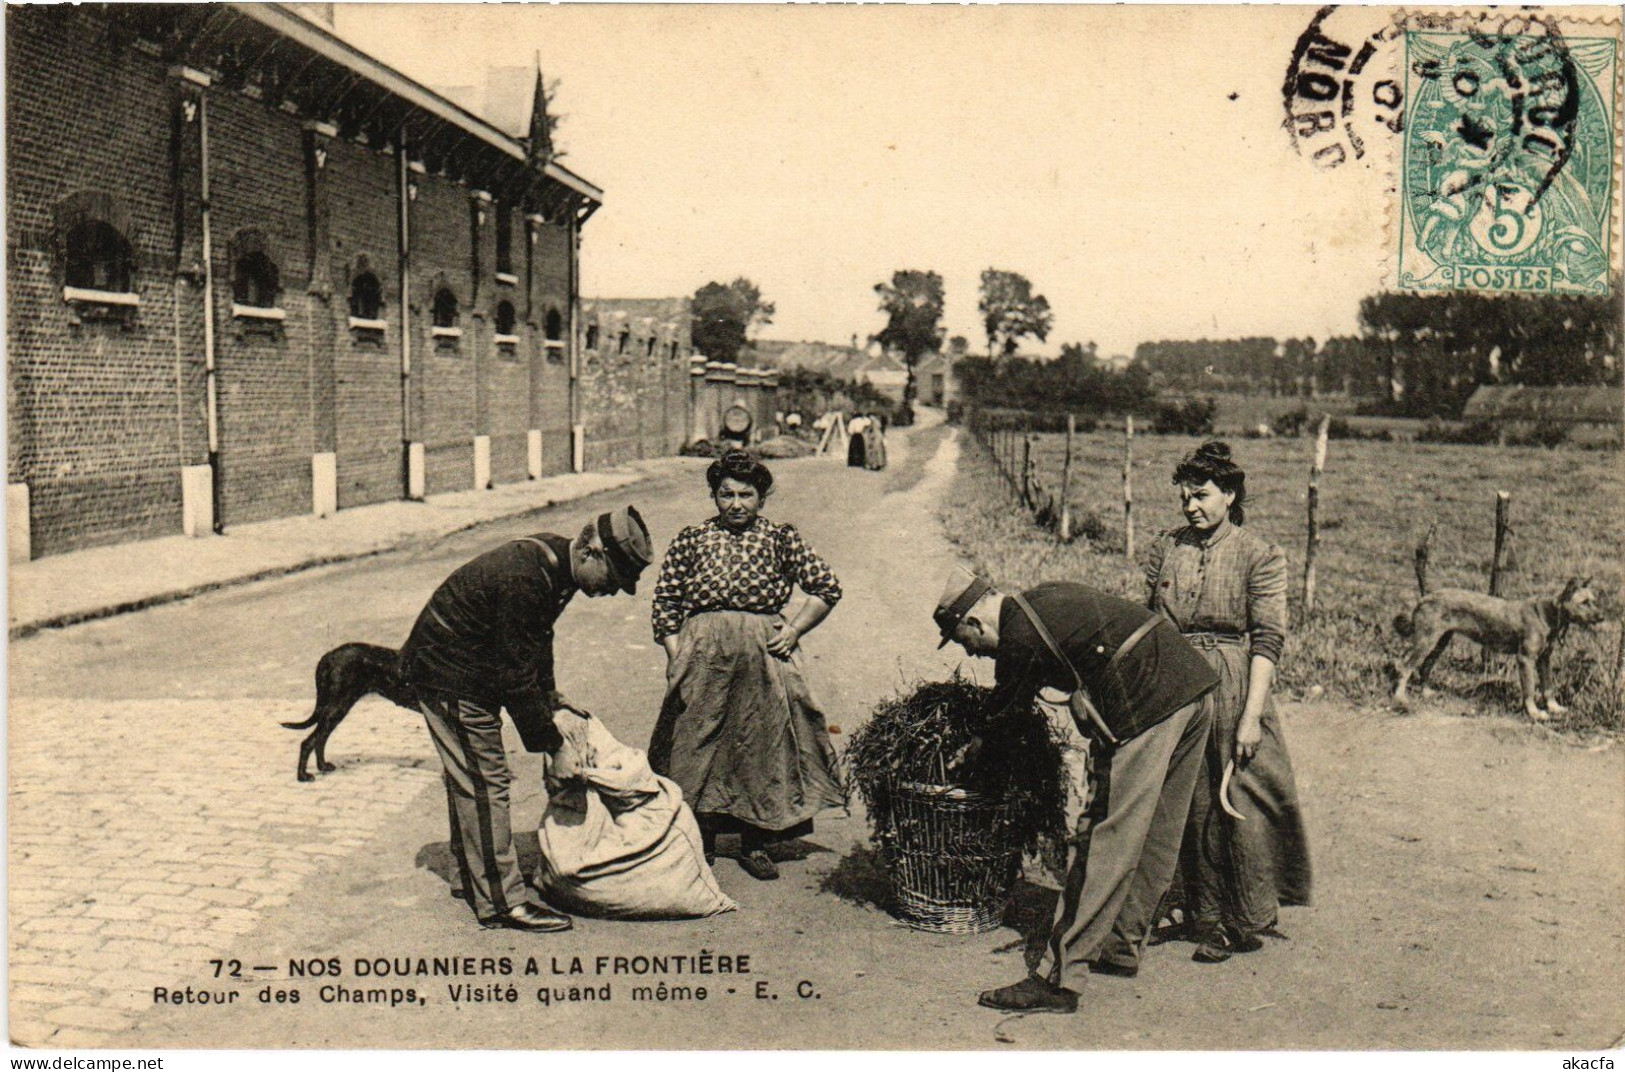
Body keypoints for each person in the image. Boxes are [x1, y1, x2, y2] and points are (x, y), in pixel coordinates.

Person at [935, 567, 1219, 1013]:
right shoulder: (1043, 596)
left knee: (1101, 837)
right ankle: (1119, 945)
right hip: (1192, 687)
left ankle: (1060, 979)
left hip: (1147, 701)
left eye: (964, 642)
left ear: (974, 622)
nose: (973, 655)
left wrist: (975, 765)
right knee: (1157, 830)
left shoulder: (1018, 638)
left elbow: (1005, 718)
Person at [398, 506, 652, 932]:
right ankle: (501, 902)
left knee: (474, 780)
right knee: (486, 782)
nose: (613, 591)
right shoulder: (526, 577)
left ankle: (473, 877)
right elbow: (514, 673)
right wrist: (554, 747)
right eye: (614, 578)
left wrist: (551, 696)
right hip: (449, 675)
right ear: (592, 551)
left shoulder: (558, 562)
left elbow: (538, 637)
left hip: (466, 668)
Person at [1146, 441, 1311, 963]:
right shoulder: (1165, 548)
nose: (1190, 506)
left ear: (1230, 495)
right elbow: (1149, 622)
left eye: (1201, 495)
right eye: (1184, 498)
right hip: (1176, 680)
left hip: (1234, 683)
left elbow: (1267, 641)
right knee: (1184, 798)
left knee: (1236, 799)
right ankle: (1194, 909)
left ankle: (1241, 919)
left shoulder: (1259, 554)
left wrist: (1251, 717)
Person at [649, 450, 844, 881]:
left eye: (746, 495)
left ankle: (756, 842)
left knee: (760, 742)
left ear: (762, 498)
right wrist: (675, 654)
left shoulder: (781, 539)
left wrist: (793, 630)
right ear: (714, 496)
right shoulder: (692, 538)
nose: (736, 504)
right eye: (726, 494)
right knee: (695, 741)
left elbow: (826, 588)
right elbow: (665, 600)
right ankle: (699, 838)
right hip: (703, 650)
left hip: (763, 652)